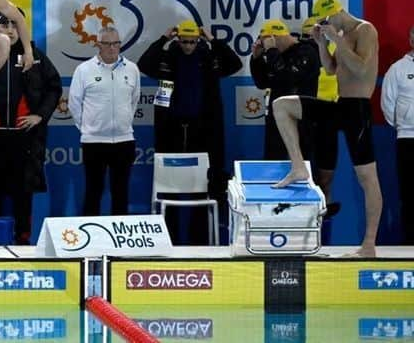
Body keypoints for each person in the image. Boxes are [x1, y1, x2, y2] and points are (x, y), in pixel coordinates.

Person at [272, 0, 383, 257]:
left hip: (358, 110)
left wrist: (336, 39)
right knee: (282, 105)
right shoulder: (340, 33)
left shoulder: (364, 30)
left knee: (367, 178)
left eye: (325, 19)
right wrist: (323, 43)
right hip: (339, 105)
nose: (325, 23)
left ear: (336, 12)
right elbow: (332, 69)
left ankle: (368, 245)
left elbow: (360, 67)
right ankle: (299, 167)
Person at [137, 19, 241, 243]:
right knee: (169, 186)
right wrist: (164, 39)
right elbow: (144, 64)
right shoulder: (167, 56)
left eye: (192, 42)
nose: (188, 46)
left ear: (199, 39)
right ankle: (168, 238)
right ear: (177, 39)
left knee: (202, 187)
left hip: (203, 130)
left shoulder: (208, 57)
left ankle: (199, 241)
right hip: (171, 129)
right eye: (183, 41)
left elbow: (234, 64)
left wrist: (212, 39)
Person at [0, 13, 61, 243]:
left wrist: (40, 116)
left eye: (15, 24)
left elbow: (54, 88)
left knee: (23, 194)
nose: (10, 29)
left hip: (23, 137)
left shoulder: (33, 56)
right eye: (4, 24)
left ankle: (23, 241)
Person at [68, 26, 140, 216]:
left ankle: (120, 241)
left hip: (124, 141)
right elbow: (74, 104)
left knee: (121, 193)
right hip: (94, 142)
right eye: (107, 44)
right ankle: (90, 239)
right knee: (93, 192)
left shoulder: (132, 69)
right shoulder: (84, 70)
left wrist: (123, 125)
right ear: (97, 44)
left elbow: (134, 101)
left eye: (116, 43)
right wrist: (88, 129)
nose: (112, 48)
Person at [250, 20, 320, 160]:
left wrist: (272, 51)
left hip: (301, 117)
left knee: (303, 161)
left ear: (276, 38)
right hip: (278, 117)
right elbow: (262, 82)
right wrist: (256, 59)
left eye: (267, 43)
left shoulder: (306, 51)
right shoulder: (275, 54)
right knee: (273, 159)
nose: (266, 48)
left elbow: (288, 79)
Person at [381, 24, 414, 244]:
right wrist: (405, 126)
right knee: (409, 196)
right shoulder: (398, 69)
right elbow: (387, 104)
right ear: (411, 39)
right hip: (407, 140)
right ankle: (410, 246)